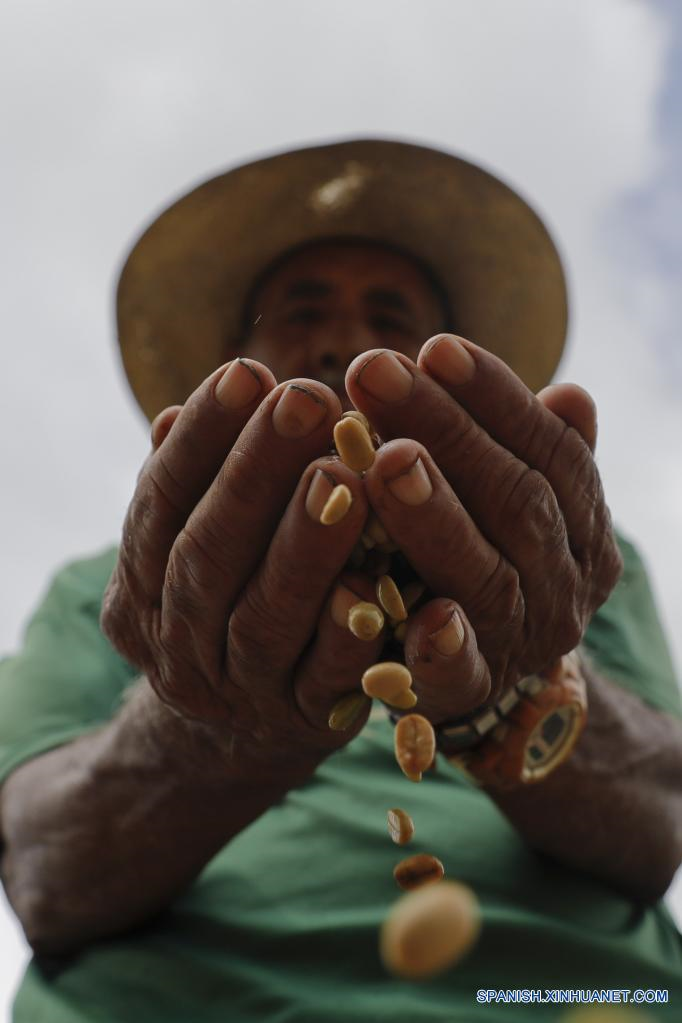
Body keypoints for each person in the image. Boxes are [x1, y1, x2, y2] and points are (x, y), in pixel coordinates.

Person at [0, 138, 680, 1022]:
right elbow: (43, 868)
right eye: (302, 311)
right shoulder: (113, 588)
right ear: (234, 370)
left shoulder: (566, 559)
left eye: (390, 317)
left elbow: (663, 820)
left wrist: (509, 693)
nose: (344, 343)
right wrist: (216, 731)